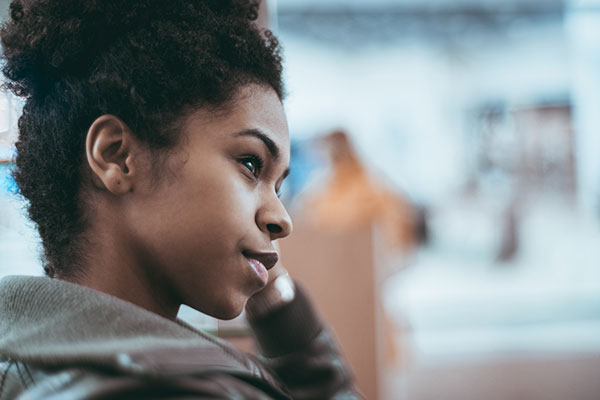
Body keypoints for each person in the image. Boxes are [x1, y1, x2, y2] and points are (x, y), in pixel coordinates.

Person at [0, 1, 362, 398]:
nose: (282, 219)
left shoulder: (31, 358)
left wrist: (276, 303)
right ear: (117, 156)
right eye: (250, 164)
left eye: (278, 187)